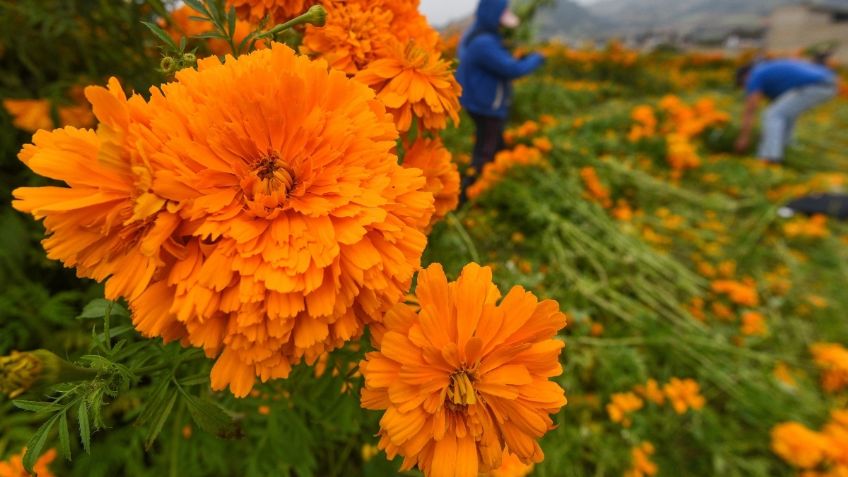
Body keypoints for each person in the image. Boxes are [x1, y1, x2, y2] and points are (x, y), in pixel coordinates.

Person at [456, 0, 545, 200]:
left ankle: (490, 184)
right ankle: (468, 195)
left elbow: (497, 63)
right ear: (492, 15)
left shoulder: (473, 34)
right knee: (485, 153)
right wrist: (535, 59)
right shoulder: (484, 43)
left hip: (477, 101)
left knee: (493, 144)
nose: (502, 24)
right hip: (488, 104)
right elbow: (512, 70)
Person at [735, 58, 837, 163]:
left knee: (772, 115)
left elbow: (750, 110)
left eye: (743, 85)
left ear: (745, 76)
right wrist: (766, 133)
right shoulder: (767, 74)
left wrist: (743, 138)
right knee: (783, 114)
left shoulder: (755, 75)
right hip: (826, 82)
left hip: (817, 85)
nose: (746, 89)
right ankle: (787, 148)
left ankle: (770, 158)